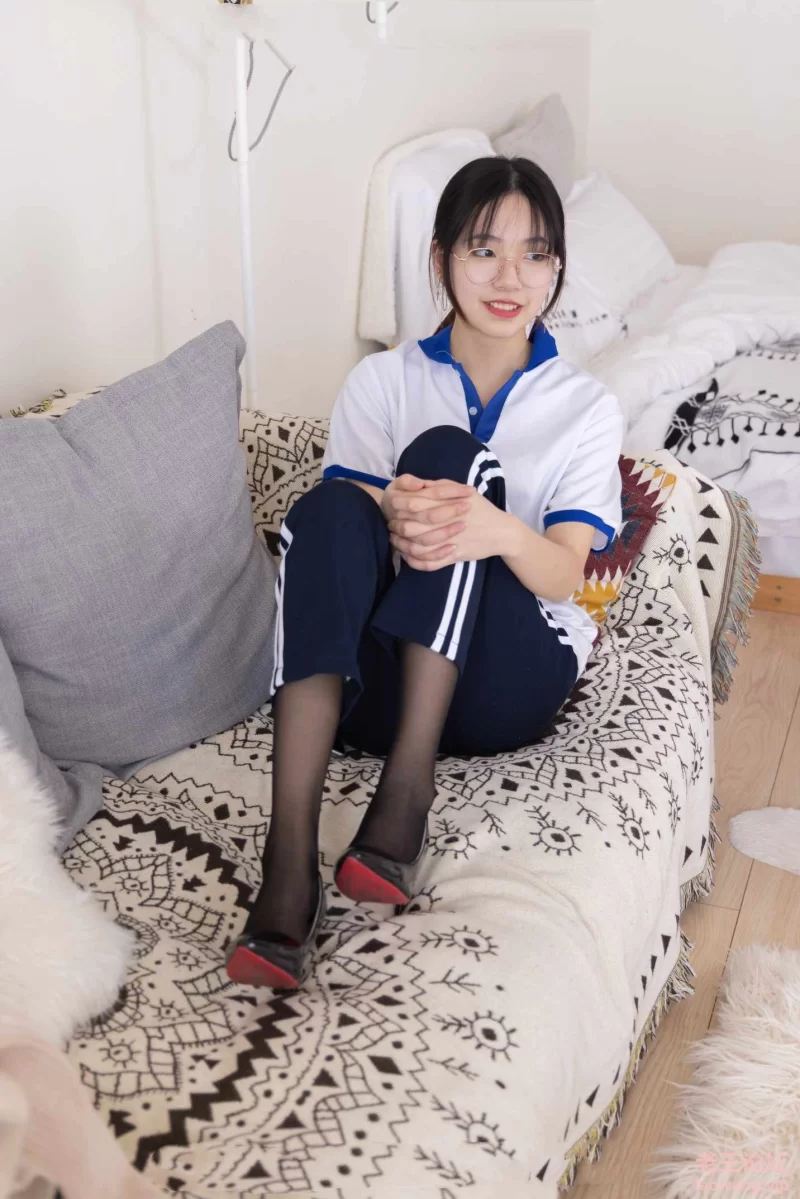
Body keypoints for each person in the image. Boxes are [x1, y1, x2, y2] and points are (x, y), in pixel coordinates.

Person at [226, 156, 624, 990]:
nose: (510, 278)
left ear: (556, 267)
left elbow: (563, 576)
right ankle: (289, 858)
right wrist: (396, 509)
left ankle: (406, 794)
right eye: (483, 250)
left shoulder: (586, 407)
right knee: (328, 509)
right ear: (440, 258)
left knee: (451, 458)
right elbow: (343, 550)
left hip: (504, 683)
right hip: (375, 691)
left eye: (535, 254)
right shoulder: (381, 381)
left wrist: (491, 524)